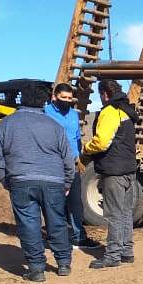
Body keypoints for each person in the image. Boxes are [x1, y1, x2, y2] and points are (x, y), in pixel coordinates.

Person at [0, 85, 75, 282]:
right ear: (45, 101)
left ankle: (36, 268)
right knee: (57, 221)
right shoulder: (54, 126)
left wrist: (6, 179)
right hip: (54, 181)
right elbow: (68, 158)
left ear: (21, 100)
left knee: (28, 223)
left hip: (21, 180)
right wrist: (67, 182)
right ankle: (63, 263)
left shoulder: (6, 124)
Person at [82, 79, 139, 269]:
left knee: (114, 214)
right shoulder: (126, 110)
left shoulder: (110, 112)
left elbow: (102, 142)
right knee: (125, 213)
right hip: (129, 170)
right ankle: (126, 252)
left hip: (113, 171)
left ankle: (113, 255)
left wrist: (86, 148)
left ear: (104, 93)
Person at [44, 83, 100, 249]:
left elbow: (76, 138)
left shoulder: (74, 115)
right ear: (55, 97)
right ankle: (55, 238)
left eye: (70, 98)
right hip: (53, 164)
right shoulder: (45, 113)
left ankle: (79, 237)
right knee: (54, 203)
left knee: (76, 202)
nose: (67, 101)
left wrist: (80, 158)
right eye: (64, 98)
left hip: (72, 164)